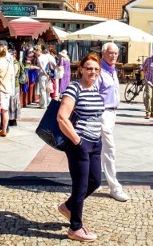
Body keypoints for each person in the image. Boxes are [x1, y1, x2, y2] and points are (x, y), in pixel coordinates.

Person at [57, 53, 105, 242]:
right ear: (81, 69)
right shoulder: (74, 88)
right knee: (81, 184)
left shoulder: (94, 88)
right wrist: (78, 141)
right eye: (89, 68)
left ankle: (68, 207)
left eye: (96, 69)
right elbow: (62, 117)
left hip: (95, 142)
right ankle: (75, 228)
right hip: (80, 143)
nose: (92, 71)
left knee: (95, 181)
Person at [97, 42, 130, 202]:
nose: (114, 56)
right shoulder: (99, 71)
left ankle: (95, 180)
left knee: (99, 148)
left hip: (112, 113)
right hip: (102, 113)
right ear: (103, 53)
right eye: (111, 53)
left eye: (116, 53)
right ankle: (114, 187)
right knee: (109, 149)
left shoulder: (112, 70)